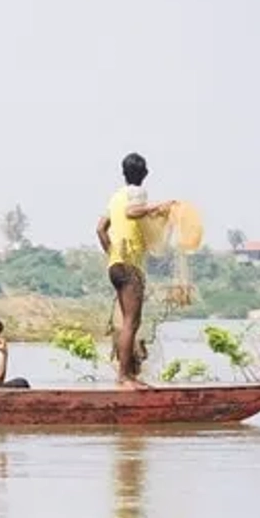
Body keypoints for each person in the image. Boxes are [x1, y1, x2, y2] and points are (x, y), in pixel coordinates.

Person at [95, 152, 173, 388]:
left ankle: (127, 373)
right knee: (131, 322)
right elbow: (132, 212)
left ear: (123, 173)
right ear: (145, 173)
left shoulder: (116, 196)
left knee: (127, 322)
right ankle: (124, 376)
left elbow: (100, 229)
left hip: (116, 265)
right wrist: (157, 207)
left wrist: (112, 253)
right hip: (130, 266)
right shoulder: (138, 192)